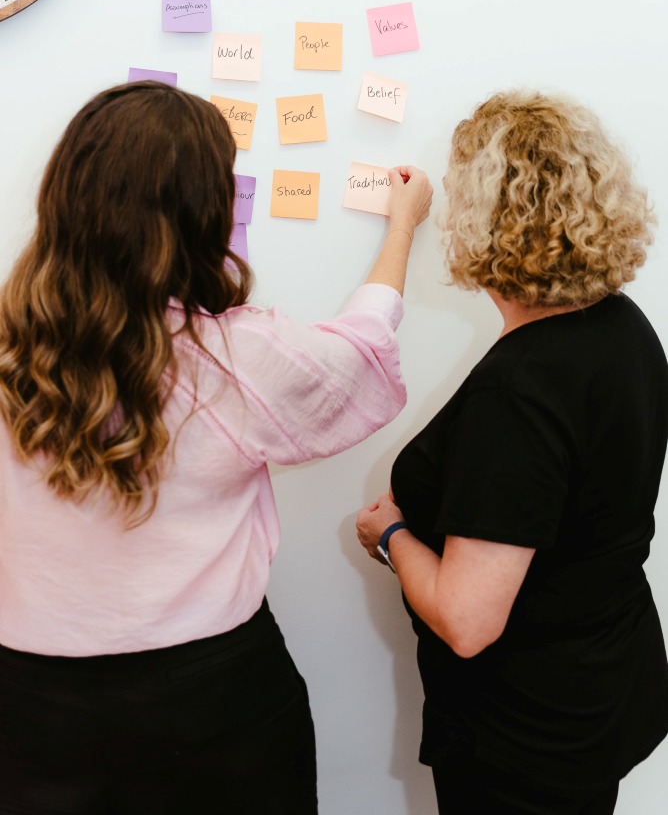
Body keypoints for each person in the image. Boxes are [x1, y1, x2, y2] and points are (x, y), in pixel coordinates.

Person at [0, 80, 432, 815]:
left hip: (30, 712)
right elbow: (361, 351)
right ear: (203, 213)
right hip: (212, 710)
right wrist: (402, 229)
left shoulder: (12, 354)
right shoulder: (236, 355)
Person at [356, 90, 668, 815]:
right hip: (601, 688)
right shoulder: (623, 326)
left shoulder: (521, 389)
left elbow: (468, 623)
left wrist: (390, 535)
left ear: (484, 221)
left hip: (528, 736)